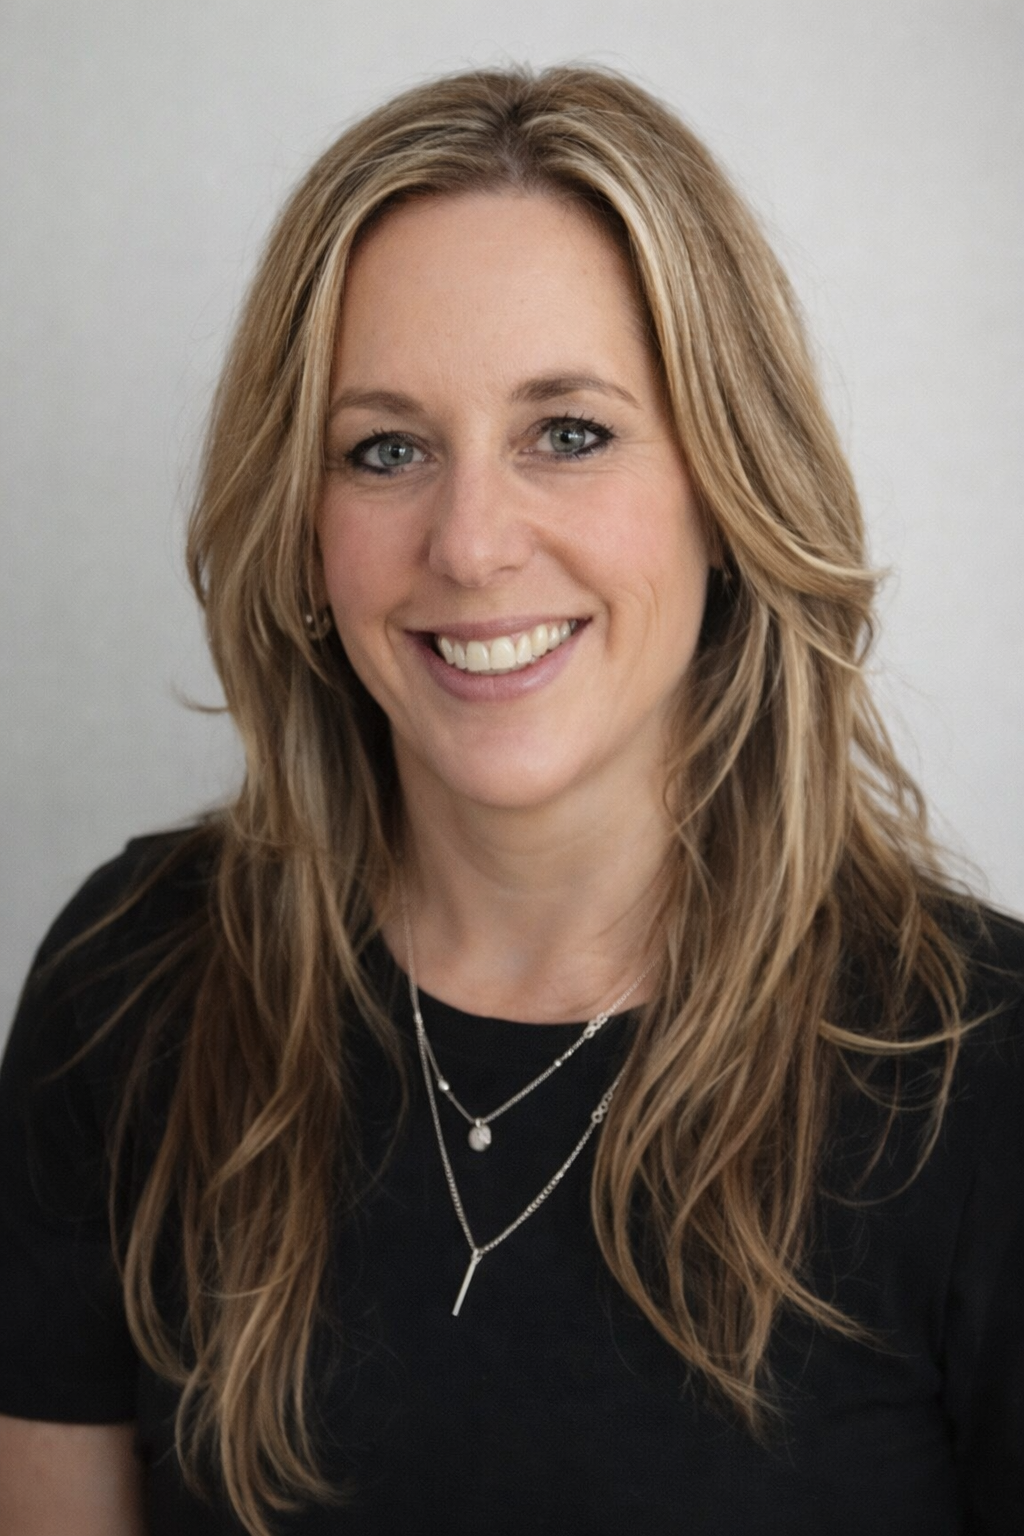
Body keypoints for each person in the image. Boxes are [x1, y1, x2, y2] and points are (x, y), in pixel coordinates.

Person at [0, 64, 1020, 1536]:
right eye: (387, 450)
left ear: (729, 495)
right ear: (303, 530)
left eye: (572, 432)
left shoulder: (981, 1078)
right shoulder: (133, 986)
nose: (472, 543)